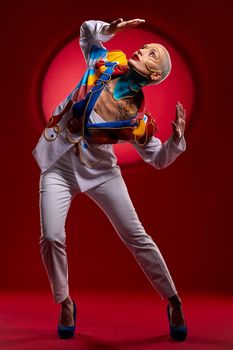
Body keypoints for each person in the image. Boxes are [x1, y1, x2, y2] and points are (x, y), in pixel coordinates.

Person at [33, 18, 188, 341]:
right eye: (144, 47)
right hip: (59, 166)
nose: (143, 50)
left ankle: (173, 300)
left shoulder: (139, 122)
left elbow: (158, 159)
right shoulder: (105, 61)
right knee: (51, 237)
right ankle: (65, 301)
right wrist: (110, 30)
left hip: (101, 172)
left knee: (136, 236)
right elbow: (86, 33)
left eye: (151, 55)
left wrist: (175, 141)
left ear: (155, 75)